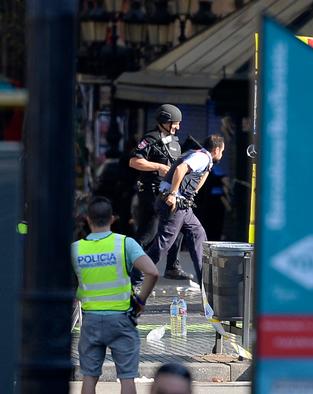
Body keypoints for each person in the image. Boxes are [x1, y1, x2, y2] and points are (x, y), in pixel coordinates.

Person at [71, 197, 159, 394]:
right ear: (112, 219)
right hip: (121, 319)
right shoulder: (125, 244)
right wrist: (140, 301)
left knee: (89, 377)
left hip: (91, 320)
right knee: (127, 378)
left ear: (87, 219)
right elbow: (152, 272)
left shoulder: (75, 249)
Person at [147, 134, 226, 285]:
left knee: (198, 233)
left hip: (183, 206)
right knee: (163, 244)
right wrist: (173, 194)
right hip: (174, 203)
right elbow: (181, 169)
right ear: (216, 150)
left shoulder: (203, 158)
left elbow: (195, 183)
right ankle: (136, 276)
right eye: (222, 151)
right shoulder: (201, 157)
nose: (222, 155)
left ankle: (206, 280)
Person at [129, 104, 191, 282]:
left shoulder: (175, 142)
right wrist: (158, 166)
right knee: (148, 234)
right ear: (164, 121)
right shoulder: (150, 139)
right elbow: (134, 162)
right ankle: (132, 270)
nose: (177, 127)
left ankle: (172, 267)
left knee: (178, 227)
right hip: (151, 193)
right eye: (174, 123)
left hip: (169, 193)